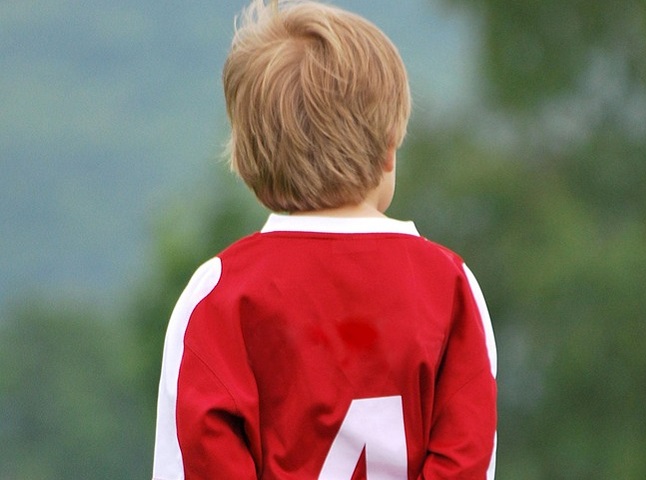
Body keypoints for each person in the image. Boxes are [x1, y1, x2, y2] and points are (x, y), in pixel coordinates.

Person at [151, 1, 497, 479]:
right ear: (389, 147)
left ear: (252, 159)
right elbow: (468, 461)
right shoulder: (450, 286)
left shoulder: (218, 295)